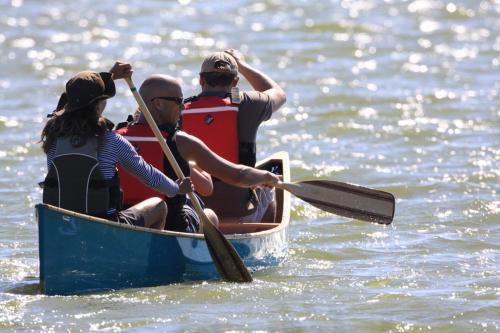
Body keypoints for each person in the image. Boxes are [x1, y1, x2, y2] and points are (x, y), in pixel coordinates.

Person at [116, 74, 280, 232]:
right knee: (209, 216)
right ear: (158, 104)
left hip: (130, 222)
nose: (182, 107)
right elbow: (237, 175)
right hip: (173, 227)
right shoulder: (181, 141)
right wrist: (266, 176)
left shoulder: (114, 137)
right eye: (178, 101)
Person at [40, 63, 193, 230]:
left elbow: (79, 96)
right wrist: (176, 188)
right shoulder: (110, 140)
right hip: (106, 223)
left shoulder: (54, 139)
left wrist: (110, 76)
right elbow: (147, 174)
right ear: (99, 105)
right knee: (158, 205)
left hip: (66, 223)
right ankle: (144, 255)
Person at [181, 49, 286, 222]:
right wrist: (243, 66)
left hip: (197, 211)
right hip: (239, 210)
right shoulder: (249, 103)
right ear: (235, 81)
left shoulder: (178, 111)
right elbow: (278, 93)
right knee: (269, 192)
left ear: (201, 80)